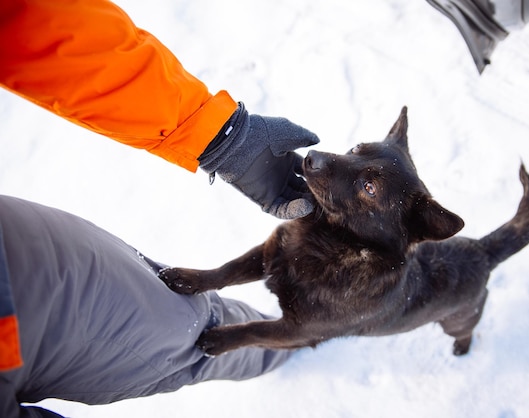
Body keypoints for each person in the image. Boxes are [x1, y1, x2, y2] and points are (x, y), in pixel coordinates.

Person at [0, 0, 319, 416]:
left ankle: (292, 343)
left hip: (17, 268)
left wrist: (221, 138)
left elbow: (30, 18)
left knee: (185, 324)